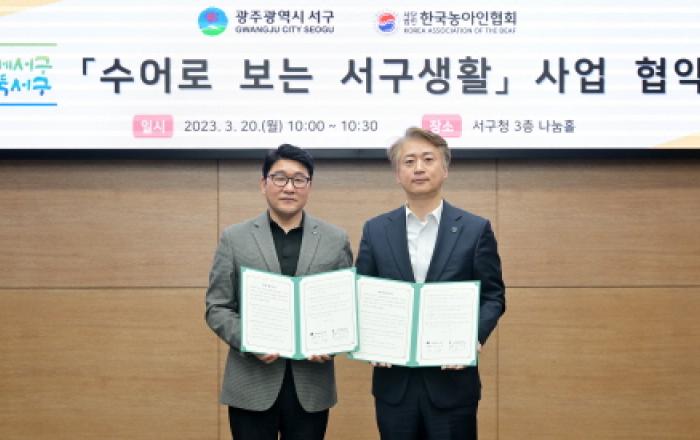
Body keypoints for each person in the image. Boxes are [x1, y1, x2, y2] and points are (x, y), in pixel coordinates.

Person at [355, 127, 506, 440]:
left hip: (452, 385)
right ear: (397, 174)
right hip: (394, 384)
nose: (419, 168)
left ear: (445, 169)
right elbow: (360, 293)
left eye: (428, 159)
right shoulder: (376, 230)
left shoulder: (475, 229)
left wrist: (473, 337)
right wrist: (369, 338)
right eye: (409, 161)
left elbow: (493, 296)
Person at [205, 144, 353, 440]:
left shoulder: (335, 239)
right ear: (264, 184)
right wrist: (251, 339)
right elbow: (217, 307)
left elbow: (348, 307)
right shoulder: (235, 238)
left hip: (310, 387)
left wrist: (332, 343)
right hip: (251, 384)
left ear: (309, 186)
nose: (289, 187)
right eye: (280, 178)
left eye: (299, 179)